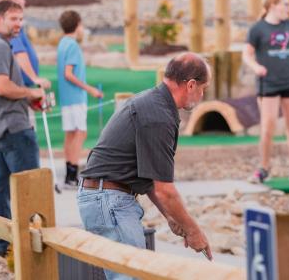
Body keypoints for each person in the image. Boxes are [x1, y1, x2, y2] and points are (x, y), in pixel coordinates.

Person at [77, 53, 212, 279]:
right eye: (203, 88)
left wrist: (171, 217)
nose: (202, 94)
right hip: (109, 200)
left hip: (103, 196)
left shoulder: (152, 102)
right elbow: (165, 190)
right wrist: (194, 230)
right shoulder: (158, 116)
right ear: (190, 85)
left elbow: (148, 176)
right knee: (132, 276)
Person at [0, 0, 46, 258]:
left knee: (2, 188)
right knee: (30, 189)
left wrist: (29, 99)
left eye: (21, 19)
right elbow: (2, 86)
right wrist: (31, 91)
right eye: (13, 18)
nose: (18, 24)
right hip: (14, 130)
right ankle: (32, 250)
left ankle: (6, 247)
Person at [243, 0, 289, 184]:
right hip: (268, 84)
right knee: (268, 127)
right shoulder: (258, 29)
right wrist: (256, 67)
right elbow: (246, 54)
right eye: (286, 4)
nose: (288, 8)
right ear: (273, 5)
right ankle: (264, 169)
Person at [56, 10, 103, 188]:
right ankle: (72, 175)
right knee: (80, 133)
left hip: (66, 97)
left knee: (70, 133)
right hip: (75, 97)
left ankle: (69, 173)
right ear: (77, 25)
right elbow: (69, 73)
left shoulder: (62, 43)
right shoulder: (73, 45)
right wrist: (90, 89)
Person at [0, 0, 51, 90]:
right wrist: (34, 79)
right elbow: (18, 53)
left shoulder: (5, 22)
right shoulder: (7, 25)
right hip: (11, 91)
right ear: (14, 0)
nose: (25, 2)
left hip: (16, 88)